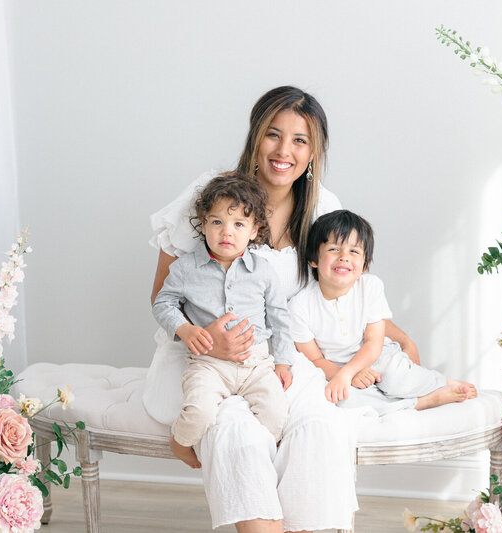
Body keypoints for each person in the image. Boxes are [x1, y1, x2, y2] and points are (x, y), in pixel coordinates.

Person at [144, 86, 421, 533]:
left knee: (321, 427)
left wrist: (396, 334)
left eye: (300, 140)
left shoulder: (322, 209)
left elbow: (340, 289)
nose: (284, 151)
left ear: (314, 152)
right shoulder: (212, 194)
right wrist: (208, 335)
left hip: (282, 359)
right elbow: (162, 291)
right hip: (203, 357)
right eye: (273, 135)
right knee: (237, 430)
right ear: (255, 137)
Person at [153, 174, 295, 469]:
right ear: (203, 224)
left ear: (255, 230)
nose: (226, 232)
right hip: (208, 363)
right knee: (199, 412)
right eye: (217, 222)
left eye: (239, 224)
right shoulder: (185, 268)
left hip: (256, 364)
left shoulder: (263, 271)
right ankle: (179, 443)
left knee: (277, 413)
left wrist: (283, 362)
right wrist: (184, 328)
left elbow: (280, 318)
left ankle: (261, 464)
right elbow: (162, 302)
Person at [289, 210, 477, 416]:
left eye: (354, 252)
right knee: (343, 401)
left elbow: (374, 343)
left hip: (378, 356)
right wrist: (346, 375)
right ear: (313, 259)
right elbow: (315, 360)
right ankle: (421, 402)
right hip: (335, 366)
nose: (343, 258)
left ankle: (440, 382)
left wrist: (352, 370)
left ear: (365, 264)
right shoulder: (300, 306)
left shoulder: (370, 287)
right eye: (334, 249)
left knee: (394, 376)